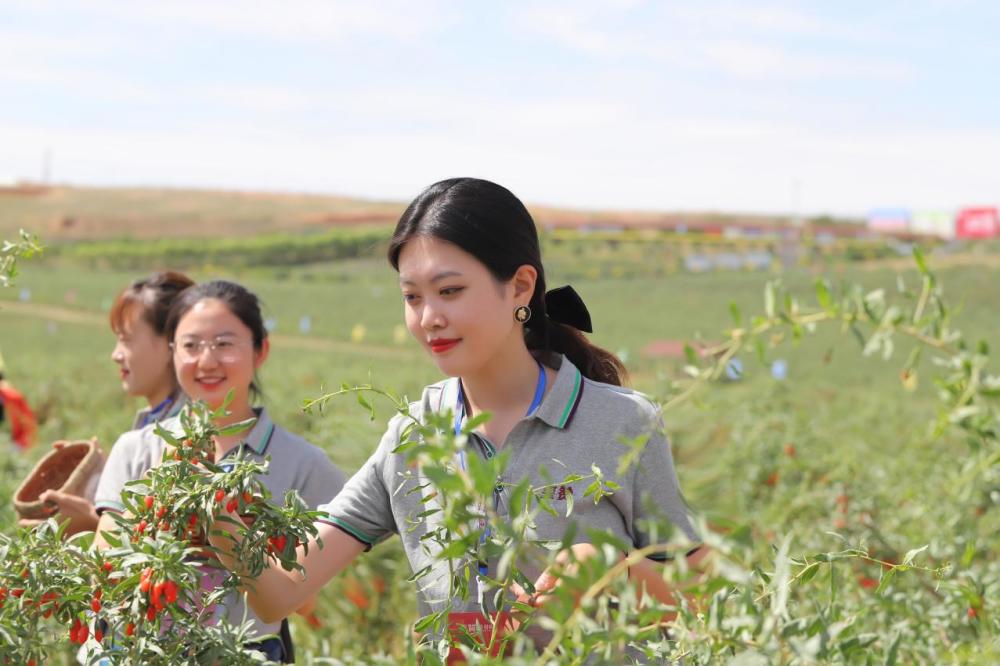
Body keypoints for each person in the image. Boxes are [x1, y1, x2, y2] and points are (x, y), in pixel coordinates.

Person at [210, 178, 702, 653]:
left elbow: (701, 597)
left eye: (449, 291)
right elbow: (280, 594)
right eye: (412, 297)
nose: (428, 318)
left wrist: (614, 572)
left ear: (520, 288)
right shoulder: (414, 437)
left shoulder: (619, 423)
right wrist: (217, 522)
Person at [94, 280, 346, 663]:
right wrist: (162, 519)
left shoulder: (304, 465)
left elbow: (303, 602)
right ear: (172, 353)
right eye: (191, 346)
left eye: (224, 344)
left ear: (261, 350)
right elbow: (104, 567)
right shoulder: (136, 450)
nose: (207, 361)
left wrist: (236, 540)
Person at [18, 271, 194, 534]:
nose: (115, 354)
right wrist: (104, 474)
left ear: (172, 342)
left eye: (125, 339)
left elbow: (171, 543)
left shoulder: (188, 437)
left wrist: (93, 523)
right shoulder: (156, 422)